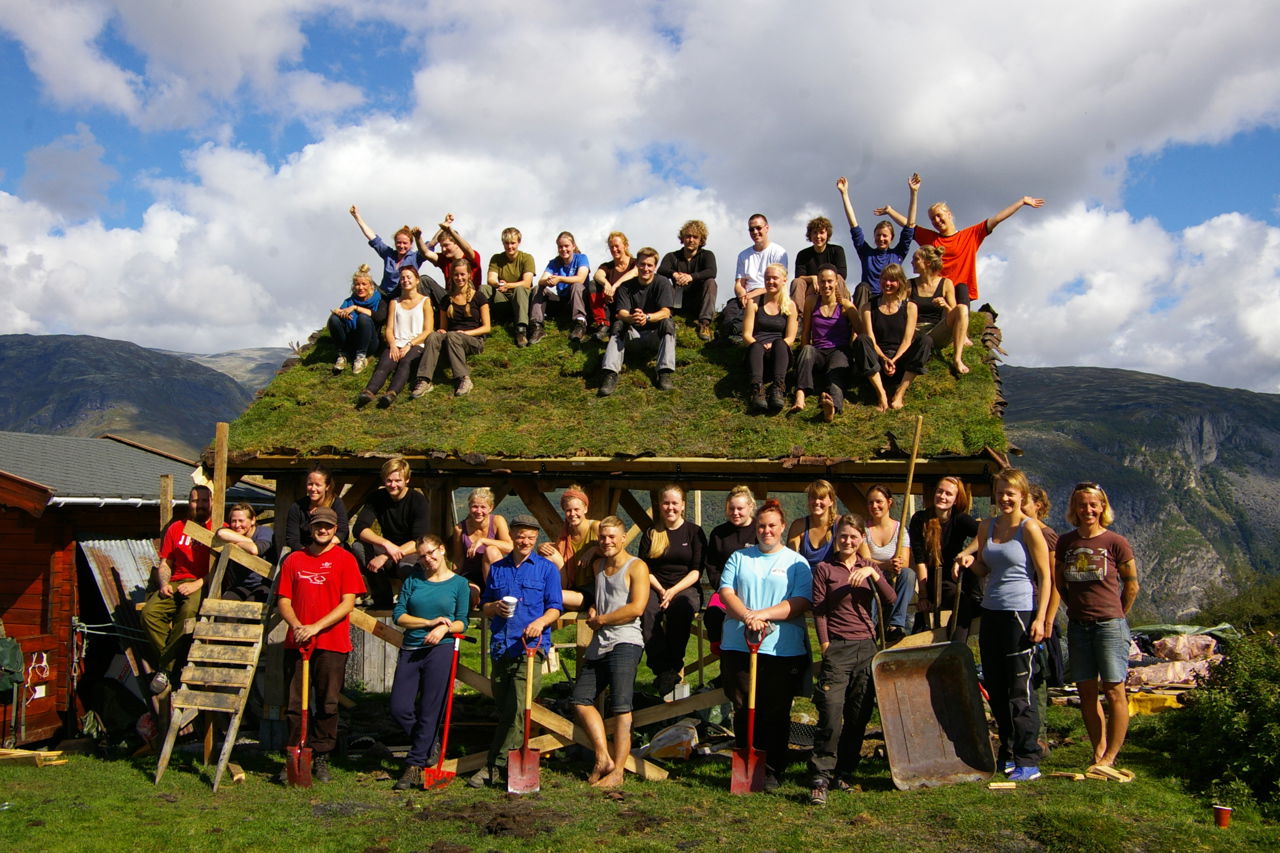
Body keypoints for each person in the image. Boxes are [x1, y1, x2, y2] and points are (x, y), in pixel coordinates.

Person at [956, 468, 1051, 782]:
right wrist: (971, 562)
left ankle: (1028, 758)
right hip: (992, 610)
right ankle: (1007, 752)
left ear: (1022, 495)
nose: (1005, 499)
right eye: (1000, 493)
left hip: (1019, 612)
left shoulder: (1030, 528)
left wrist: (1040, 617)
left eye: (1011, 493)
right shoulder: (987, 526)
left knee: (1019, 688)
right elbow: (985, 567)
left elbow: (1045, 577)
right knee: (995, 687)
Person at [718, 499, 813, 790]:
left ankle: (773, 767)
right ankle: (748, 760)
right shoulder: (739, 558)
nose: (766, 530)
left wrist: (762, 615)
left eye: (772, 525)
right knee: (744, 706)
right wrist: (747, 616)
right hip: (740, 643)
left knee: (776, 710)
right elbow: (725, 592)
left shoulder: (796, 562)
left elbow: (801, 602)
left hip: (780, 648)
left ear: (782, 527)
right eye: (761, 525)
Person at [877, 191, 1045, 351]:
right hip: (937, 293)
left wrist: (1021, 202)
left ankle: (962, 335)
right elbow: (909, 225)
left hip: (960, 293)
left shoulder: (970, 235)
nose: (936, 220)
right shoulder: (931, 238)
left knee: (962, 287)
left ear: (949, 214)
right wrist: (890, 211)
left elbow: (996, 219)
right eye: (932, 219)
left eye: (939, 215)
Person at [469, 514, 563, 788]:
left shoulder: (547, 570)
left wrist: (540, 622)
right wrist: (494, 608)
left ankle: (491, 767)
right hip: (501, 648)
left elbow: (556, 607)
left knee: (518, 710)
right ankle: (509, 765)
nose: (525, 541)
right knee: (505, 708)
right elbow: (484, 606)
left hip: (530, 650)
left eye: (530, 537)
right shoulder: (498, 569)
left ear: (536, 540)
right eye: (520, 536)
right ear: (512, 536)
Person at [808, 514, 895, 804]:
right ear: (837, 536)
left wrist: (875, 575)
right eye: (843, 536)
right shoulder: (824, 569)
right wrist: (825, 645)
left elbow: (891, 599)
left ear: (861, 539)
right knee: (831, 714)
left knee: (858, 716)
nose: (848, 541)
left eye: (853, 536)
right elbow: (819, 610)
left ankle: (845, 772)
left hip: (866, 647)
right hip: (839, 648)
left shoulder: (868, 567)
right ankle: (821, 775)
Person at [276, 506, 365, 784]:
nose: (323, 530)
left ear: (334, 529)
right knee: (294, 704)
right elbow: (283, 600)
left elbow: (348, 603)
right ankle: (296, 752)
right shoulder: (294, 560)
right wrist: (297, 626)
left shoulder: (345, 559)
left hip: (332, 642)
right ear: (311, 528)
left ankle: (323, 754)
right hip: (297, 642)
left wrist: (315, 627)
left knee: (328, 702)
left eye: (328, 526)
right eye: (318, 526)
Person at [1056, 483, 1139, 773]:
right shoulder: (1066, 543)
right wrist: (1074, 608)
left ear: (1103, 507)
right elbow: (1060, 582)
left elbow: (1131, 584)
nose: (1088, 510)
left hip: (1109, 626)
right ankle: (1098, 751)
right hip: (1079, 626)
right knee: (1086, 691)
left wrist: (1118, 614)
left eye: (1093, 504)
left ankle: (1111, 756)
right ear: (1074, 509)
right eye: (1082, 505)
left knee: (1115, 690)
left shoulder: (1116, 542)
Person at [570, 516, 650, 788]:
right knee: (581, 699)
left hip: (626, 641)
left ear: (624, 538)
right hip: (599, 642)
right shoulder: (598, 566)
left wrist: (602, 620)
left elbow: (637, 608)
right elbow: (599, 598)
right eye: (603, 537)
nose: (607, 541)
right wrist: (594, 609)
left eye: (612, 536)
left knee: (621, 706)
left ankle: (619, 772)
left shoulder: (636, 566)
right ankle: (603, 757)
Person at [389, 534, 470, 790]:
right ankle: (428, 742)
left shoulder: (459, 584)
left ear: (442, 549)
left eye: (431, 553)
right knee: (399, 707)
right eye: (422, 556)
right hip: (412, 647)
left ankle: (413, 765)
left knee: (430, 707)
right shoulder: (413, 580)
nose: (428, 559)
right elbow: (399, 615)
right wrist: (427, 623)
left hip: (441, 649)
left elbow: (462, 620)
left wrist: (444, 630)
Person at [140, 485, 213, 694]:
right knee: (148, 614)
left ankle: (165, 669)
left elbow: (221, 568)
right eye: (194, 501)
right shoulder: (176, 527)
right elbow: (165, 563)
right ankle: (173, 665)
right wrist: (163, 584)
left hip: (201, 582)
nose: (198, 505)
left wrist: (198, 583)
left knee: (188, 613)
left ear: (211, 502)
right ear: (188, 502)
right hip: (175, 581)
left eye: (203, 501)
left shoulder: (218, 528)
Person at [639, 485, 707, 697]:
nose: (670, 507)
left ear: (683, 505)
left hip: (685, 586)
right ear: (660, 505)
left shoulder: (694, 532)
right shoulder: (651, 533)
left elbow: (697, 571)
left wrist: (673, 591)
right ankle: (662, 668)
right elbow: (644, 568)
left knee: (680, 610)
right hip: (655, 585)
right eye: (666, 503)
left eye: (674, 503)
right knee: (646, 611)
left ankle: (674, 664)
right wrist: (661, 590)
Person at [908, 476, 980, 641]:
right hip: (932, 579)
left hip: (955, 577)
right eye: (940, 491)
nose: (942, 496)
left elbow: (983, 533)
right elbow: (920, 560)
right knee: (962, 604)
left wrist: (964, 554)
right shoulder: (920, 519)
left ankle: (955, 645)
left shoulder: (959, 519)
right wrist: (924, 595)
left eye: (948, 494)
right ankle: (955, 646)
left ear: (955, 500)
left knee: (963, 602)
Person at [597, 247, 676, 396]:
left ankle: (664, 372)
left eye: (649, 265)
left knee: (668, 322)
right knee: (619, 324)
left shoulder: (663, 283)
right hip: (632, 337)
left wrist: (646, 317)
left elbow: (666, 311)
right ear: (637, 265)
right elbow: (621, 312)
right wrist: (632, 318)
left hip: (655, 337)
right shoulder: (626, 286)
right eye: (642, 264)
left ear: (655, 267)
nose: (645, 268)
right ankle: (610, 373)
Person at [352, 456, 429, 608]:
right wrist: (385, 544)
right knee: (358, 547)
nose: (393, 485)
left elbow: (419, 541)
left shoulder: (418, 501)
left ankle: (414, 602)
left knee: (405, 567)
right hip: (388, 549)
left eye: (397, 480)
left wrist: (386, 555)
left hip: (410, 554)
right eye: (389, 480)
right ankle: (382, 597)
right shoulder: (377, 498)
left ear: (407, 479)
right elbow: (359, 528)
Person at [355, 265, 433, 409]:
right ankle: (369, 391)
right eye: (402, 278)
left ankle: (391, 393)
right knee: (384, 364)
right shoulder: (394, 302)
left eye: (409, 277)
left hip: (417, 343)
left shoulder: (425, 301)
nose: (405, 280)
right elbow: (389, 328)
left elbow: (428, 330)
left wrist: (410, 344)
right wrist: (392, 344)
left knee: (406, 362)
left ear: (417, 280)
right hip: (396, 342)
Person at [412, 258, 491, 397]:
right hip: (451, 338)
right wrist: (442, 331)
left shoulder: (479, 297)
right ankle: (424, 380)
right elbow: (444, 327)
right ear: (451, 276)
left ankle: (464, 379)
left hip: (473, 340)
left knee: (453, 335)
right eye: (456, 275)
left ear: (469, 275)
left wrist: (465, 333)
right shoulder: (446, 299)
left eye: (462, 274)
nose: (459, 278)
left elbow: (486, 328)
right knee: (433, 335)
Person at [839, 174, 919, 309]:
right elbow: (854, 226)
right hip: (868, 302)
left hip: (890, 299)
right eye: (878, 236)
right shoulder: (867, 253)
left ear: (891, 238)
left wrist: (914, 192)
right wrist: (844, 194)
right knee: (862, 287)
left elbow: (910, 226)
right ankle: (858, 327)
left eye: (885, 236)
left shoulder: (897, 254)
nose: (881, 239)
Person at [860, 264, 932, 411]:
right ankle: (881, 394)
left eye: (892, 280)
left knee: (925, 340)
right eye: (884, 279)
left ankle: (900, 393)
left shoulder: (910, 307)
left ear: (900, 282)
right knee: (862, 339)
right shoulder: (868, 307)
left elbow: (907, 340)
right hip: (877, 360)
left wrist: (894, 360)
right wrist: (885, 359)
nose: (887, 283)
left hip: (901, 360)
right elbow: (871, 339)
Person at [793, 264, 858, 421]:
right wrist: (803, 358)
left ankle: (832, 408)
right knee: (807, 349)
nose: (826, 285)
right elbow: (806, 331)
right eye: (822, 281)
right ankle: (800, 396)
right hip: (818, 351)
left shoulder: (846, 306)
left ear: (836, 282)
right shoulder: (811, 301)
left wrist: (850, 351)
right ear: (818, 283)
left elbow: (859, 330)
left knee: (836, 375)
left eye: (830, 281)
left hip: (839, 350)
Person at [704, 486, 758, 654]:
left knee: (749, 623)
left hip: (754, 591)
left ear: (751, 507)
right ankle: (722, 655)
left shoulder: (760, 530)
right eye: (731, 508)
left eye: (740, 509)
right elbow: (711, 565)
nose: (735, 513)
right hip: (725, 590)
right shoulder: (718, 533)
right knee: (713, 615)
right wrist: (724, 588)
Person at [856, 485, 912, 644]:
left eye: (879, 502)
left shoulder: (900, 530)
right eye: (870, 502)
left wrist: (895, 564)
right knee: (870, 580)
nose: (874, 506)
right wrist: (886, 565)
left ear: (889, 502)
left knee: (909, 574)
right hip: (873, 577)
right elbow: (866, 560)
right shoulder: (864, 530)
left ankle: (895, 624)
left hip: (894, 577)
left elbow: (905, 562)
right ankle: (872, 627)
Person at [722, 214, 788, 342]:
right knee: (729, 311)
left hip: (768, 293)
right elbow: (739, 282)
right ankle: (727, 336)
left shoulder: (778, 252)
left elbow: (778, 283)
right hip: (746, 294)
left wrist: (751, 295)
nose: (755, 232)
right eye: (751, 229)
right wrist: (742, 295)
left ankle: (740, 333)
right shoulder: (743, 255)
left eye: (758, 228)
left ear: (767, 228)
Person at [742, 262, 797, 413]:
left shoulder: (790, 306)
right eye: (767, 278)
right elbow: (746, 334)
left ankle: (778, 388)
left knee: (780, 343)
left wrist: (773, 346)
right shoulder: (754, 303)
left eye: (774, 278)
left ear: (784, 280)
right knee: (755, 346)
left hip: (779, 355)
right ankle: (757, 390)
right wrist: (759, 345)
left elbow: (791, 337)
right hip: (757, 354)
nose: (770, 282)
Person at [349, 204, 434, 299]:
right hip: (384, 294)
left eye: (405, 243)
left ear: (410, 244)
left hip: (401, 294)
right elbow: (372, 237)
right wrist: (356, 216)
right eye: (399, 243)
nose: (401, 246)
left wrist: (445, 227)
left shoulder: (415, 257)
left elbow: (430, 245)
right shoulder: (388, 254)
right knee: (361, 285)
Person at [538, 486, 600, 612]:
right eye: (568, 510)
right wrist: (541, 547)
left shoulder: (596, 527)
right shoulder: (566, 535)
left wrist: (595, 550)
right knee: (549, 555)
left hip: (592, 591)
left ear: (585, 509)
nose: (572, 514)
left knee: (542, 595)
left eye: (576, 509)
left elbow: (617, 548)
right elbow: (557, 552)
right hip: (572, 588)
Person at [908, 245, 968, 374]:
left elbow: (955, 314)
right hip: (915, 333)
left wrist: (945, 305)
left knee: (962, 308)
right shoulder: (909, 285)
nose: (911, 262)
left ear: (927, 262)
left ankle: (957, 359)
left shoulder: (946, 284)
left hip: (936, 331)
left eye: (916, 259)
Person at [451, 487, 513, 607]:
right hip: (471, 575)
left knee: (491, 550)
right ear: (469, 507)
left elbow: (510, 547)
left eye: (483, 507)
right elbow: (458, 560)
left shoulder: (497, 521)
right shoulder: (459, 529)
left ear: (491, 508)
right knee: (472, 594)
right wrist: (451, 581)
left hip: (495, 575)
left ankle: (495, 594)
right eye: (475, 506)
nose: (478, 511)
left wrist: (484, 541)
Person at [658, 219, 718, 341]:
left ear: (701, 240)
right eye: (688, 236)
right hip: (676, 299)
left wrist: (691, 277)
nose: (691, 240)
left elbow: (712, 271)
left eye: (695, 237)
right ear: (682, 238)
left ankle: (705, 324)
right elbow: (661, 270)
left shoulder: (707, 255)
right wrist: (674, 274)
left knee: (711, 282)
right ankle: (665, 315)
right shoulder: (672, 256)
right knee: (662, 280)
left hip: (698, 301)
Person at [530, 231, 590, 344]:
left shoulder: (581, 258)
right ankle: (537, 326)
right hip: (562, 301)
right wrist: (549, 281)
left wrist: (560, 278)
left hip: (579, 300)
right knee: (538, 288)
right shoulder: (554, 262)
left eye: (566, 246)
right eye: (560, 247)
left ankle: (580, 323)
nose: (563, 249)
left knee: (576, 285)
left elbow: (581, 278)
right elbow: (541, 280)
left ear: (573, 246)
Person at [327, 264, 385, 375]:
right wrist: (338, 312)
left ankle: (361, 357)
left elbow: (380, 317)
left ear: (371, 285)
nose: (360, 287)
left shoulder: (379, 300)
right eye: (357, 284)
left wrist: (355, 308)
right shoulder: (349, 301)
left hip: (370, 343)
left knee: (363, 318)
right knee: (334, 319)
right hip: (351, 340)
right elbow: (338, 313)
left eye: (364, 284)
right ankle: (343, 354)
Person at [215, 502, 277, 602]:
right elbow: (221, 533)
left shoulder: (264, 532)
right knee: (225, 606)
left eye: (241, 521)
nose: (237, 525)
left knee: (252, 606)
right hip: (240, 585)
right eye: (233, 521)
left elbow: (254, 549)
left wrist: (235, 542)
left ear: (253, 520)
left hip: (263, 584)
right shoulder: (232, 531)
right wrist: (247, 541)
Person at [485, 227, 535, 347]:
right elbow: (491, 278)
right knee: (483, 288)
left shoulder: (527, 258)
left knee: (520, 288)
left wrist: (508, 285)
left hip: (521, 299)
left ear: (519, 242)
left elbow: (527, 282)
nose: (510, 246)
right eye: (506, 243)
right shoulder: (496, 258)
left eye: (513, 243)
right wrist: (497, 284)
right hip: (503, 298)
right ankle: (482, 324)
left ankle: (521, 330)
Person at [284, 464, 350, 552]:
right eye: (310, 484)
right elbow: (292, 539)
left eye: (318, 485)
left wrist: (322, 549)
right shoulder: (297, 507)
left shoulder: (336, 503)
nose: (313, 489)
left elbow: (343, 532)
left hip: (331, 549)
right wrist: (309, 552)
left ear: (327, 486)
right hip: (305, 552)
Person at [792, 215, 848, 311]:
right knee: (797, 282)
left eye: (822, 233)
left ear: (827, 234)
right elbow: (799, 276)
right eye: (815, 233)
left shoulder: (837, 250)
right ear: (810, 235)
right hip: (810, 291)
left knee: (838, 278)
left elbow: (842, 274)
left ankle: (840, 311)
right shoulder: (803, 254)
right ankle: (798, 315)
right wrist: (812, 278)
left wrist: (820, 280)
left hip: (832, 288)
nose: (818, 236)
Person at [418, 213, 483, 295]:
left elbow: (467, 249)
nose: (443, 249)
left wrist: (450, 231)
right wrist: (418, 238)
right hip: (449, 300)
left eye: (446, 245)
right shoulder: (444, 259)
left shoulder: (471, 257)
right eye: (441, 246)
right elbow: (426, 253)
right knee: (424, 280)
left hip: (471, 299)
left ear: (457, 244)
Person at [590, 232, 638, 342]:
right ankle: (603, 324)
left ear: (625, 246)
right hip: (611, 304)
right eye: (611, 247)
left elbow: (635, 273)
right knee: (593, 284)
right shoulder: (607, 266)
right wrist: (606, 284)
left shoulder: (635, 263)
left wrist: (615, 286)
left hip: (629, 305)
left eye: (617, 246)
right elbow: (598, 274)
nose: (614, 249)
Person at [787, 479, 839, 570]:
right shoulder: (799, 526)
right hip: (806, 579)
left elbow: (863, 557)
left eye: (821, 498)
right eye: (813, 497)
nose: (817, 502)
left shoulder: (841, 524)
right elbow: (790, 557)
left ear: (831, 501)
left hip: (832, 580)